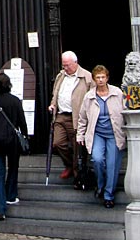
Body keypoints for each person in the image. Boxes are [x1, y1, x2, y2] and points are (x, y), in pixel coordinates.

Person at [77, 65, 126, 208]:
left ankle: (108, 195)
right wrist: (80, 135)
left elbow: (126, 112)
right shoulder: (89, 96)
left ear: (107, 78)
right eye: (98, 77)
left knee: (112, 165)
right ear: (94, 79)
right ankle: (100, 185)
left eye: (103, 77)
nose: (100, 80)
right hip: (97, 133)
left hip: (114, 134)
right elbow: (83, 118)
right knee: (97, 159)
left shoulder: (117, 93)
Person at [0, 72, 28, 221]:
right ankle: (11, 195)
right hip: (12, 140)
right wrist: (26, 137)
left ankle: (0, 208)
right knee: (13, 168)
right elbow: (22, 122)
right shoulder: (15, 101)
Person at [48, 51, 92, 182]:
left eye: (67, 65)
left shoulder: (87, 77)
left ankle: (76, 171)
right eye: (63, 65)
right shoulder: (60, 76)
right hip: (61, 115)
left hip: (76, 117)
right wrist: (53, 104)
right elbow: (55, 93)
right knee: (57, 143)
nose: (65, 68)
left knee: (77, 146)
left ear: (75, 62)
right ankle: (69, 165)